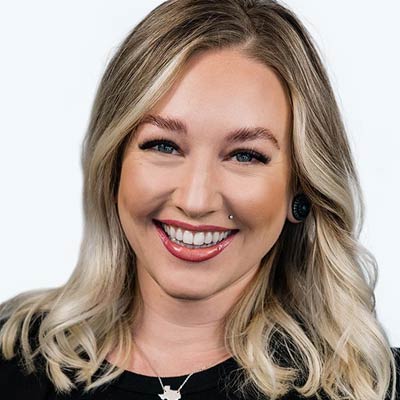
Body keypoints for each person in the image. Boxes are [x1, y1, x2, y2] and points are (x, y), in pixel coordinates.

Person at [0, 0, 398, 399]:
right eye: (164, 146)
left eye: (245, 155)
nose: (195, 200)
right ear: (115, 162)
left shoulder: (374, 385)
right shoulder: (12, 359)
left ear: (300, 184)